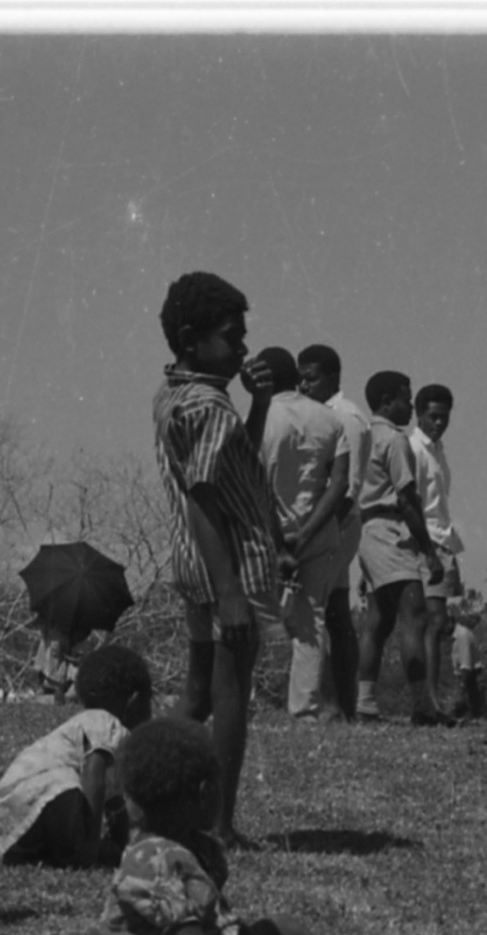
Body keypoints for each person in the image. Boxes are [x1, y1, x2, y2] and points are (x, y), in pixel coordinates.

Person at [102, 717, 474, 935]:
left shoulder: (200, 848)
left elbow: (227, 924)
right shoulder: (151, 861)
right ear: (203, 793)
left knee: (282, 928)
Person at [150, 271, 284, 843]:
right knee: (230, 697)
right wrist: (231, 592)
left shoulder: (175, 394)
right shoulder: (210, 406)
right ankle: (218, 824)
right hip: (231, 565)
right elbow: (205, 497)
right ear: (190, 339)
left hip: (194, 563)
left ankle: (135, 788)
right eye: (231, 337)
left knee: (198, 693)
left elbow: (228, 463)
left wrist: (260, 405)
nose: (242, 349)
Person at [0, 640, 152, 864]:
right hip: (38, 794)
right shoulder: (106, 722)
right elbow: (94, 774)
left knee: (77, 811)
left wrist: (124, 845)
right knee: (67, 789)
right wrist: (90, 845)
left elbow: (113, 800)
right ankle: (79, 852)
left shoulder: (94, 726)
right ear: (134, 702)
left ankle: (59, 851)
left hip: (15, 810)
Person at [249, 347, 349, 724]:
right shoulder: (330, 419)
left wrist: (280, 541)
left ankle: (242, 697)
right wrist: (304, 537)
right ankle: (304, 709)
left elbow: (255, 483)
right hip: (317, 533)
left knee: (252, 618)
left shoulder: (261, 419)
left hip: (266, 533)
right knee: (311, 622)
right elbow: (339, 485)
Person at [354, 371, 450, 725]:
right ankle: (422, 704)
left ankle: (365, 702)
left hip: (367, 530)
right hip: (391, 529)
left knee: (378, 621)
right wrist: (429, 552)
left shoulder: (363, 436)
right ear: (386, 402)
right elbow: (408, 499)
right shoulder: (394, 441)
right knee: (415, 615)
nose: (410, 407)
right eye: (405, 400)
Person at [287, 343, 370, 722]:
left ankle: (336, 703)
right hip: (330, 524)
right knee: (335, 612)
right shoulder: (321, 415)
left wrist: (315, 534)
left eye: (312, 378)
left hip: (338, 522)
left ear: (333, 377)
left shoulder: (345, 417)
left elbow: (346, 486)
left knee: (320, 611)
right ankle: (338, 705)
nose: (305, 386)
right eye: (300, 379)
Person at [411, 383, 479, 721]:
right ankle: (430, 701)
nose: (439, 423)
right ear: (419, 414)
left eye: (444, 417)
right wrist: (428, 551)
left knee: (436, 623)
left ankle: (432, 700)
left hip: (443, 538)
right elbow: (411, 503)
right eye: (433, 416)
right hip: (425, 542)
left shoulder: (438, 450)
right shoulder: (414, 449)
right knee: (433, 621)